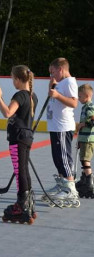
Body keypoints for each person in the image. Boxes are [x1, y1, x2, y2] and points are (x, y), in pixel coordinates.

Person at [0, 65, 38, 224]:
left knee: (19, 171)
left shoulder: (20, 95)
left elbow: (7, 113)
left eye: (13, 78)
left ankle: (22, 205)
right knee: (24, 169)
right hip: (26, 137)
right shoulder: (33, 96)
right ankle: (28, 202)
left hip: (17, 138)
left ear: (19, 79)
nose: (12, 81)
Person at [44, 57, 80, 207]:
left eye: (53, 72)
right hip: (55, 126)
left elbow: (73, 102)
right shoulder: (60, 83)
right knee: (57, 157)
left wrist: (57, 95)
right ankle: (61, 183)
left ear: (61, 69)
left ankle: (70, 187)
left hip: (63, 127)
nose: (51, 76)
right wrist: (52, 85)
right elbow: (51, 95)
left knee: (64, 157)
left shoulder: (70, 82)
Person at [75, 83, 94, 198]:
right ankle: (84, 180)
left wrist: (82, 124)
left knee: (85, 160)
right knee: (83, 159)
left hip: (88, 139)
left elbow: (92, 121)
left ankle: (89, 184)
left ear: (86, 96)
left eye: (80, 96)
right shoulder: (84, 107)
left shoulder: (89, 107)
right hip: (84, 139)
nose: (78, 98)